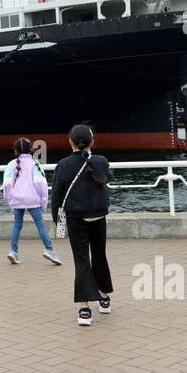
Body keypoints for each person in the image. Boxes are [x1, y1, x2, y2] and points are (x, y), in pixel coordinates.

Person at [49, 123, 114, 326]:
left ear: (69, 142)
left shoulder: (63, 165)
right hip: (98, 215)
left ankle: (85, 309)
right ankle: (104, 298)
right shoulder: (100, 161)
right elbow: (108, 178)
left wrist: (57, 221)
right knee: (99, 254)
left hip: (76, 218)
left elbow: (57, 196)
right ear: (92, 142)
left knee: (82, 260)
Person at [2, 138, 60, 265]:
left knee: (17, 225)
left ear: (15, 150)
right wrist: (44, 203)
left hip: (17, 200)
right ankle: (49, 250)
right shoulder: (35, 164)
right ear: (30, 149)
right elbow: (42, 185)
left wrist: (10, 200)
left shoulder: (11, 164)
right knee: (40, 225)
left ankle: (13, 251)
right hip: (33, 200)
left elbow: (6, 185)